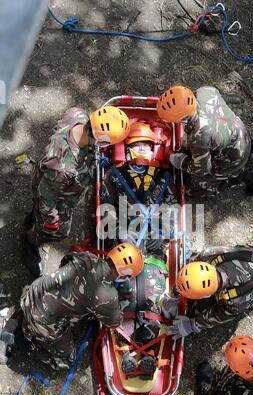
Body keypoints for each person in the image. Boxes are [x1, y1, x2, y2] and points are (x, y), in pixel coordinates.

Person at [22, 105, 130, 276]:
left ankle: (33, 218)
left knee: (38, 209)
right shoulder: (64, 167)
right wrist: (51, 219)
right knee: (57, 232)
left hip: (48, 178)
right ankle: (30, 242)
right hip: (57, 197)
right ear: (100, 140)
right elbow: (45, 196)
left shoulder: (77, 114)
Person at [19, 243, 144, 370]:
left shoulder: (88, 257)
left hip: (32, 293)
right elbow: (115, 322)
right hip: (40, 322)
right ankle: (29, 346)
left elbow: (65, 261)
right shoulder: (107, 296)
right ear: (124, 275)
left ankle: (27, 324)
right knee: (68, 361)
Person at [156, 85, 253, 198]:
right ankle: (251, 152)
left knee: (190, 189)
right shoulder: (205, 91)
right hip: (240, 136)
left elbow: (201, 170)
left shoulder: (199, 137)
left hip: (233, 159)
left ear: (183, 118)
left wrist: (180, 161)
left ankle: (240, 176)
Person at [162, 245, 253, 339]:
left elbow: (219, 315)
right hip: (251, 255)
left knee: (195, 311)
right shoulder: (209, 255)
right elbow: (189, 273)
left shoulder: (236, 301)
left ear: (207, 295)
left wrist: (193, 324)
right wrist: (173, 296)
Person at [100, 121, 178, 255]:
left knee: (154, 273)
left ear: (152, 150)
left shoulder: (163, 176)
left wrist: (163, 231)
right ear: (127, 149)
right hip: (124, 235)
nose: (142, 149)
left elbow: (172, 206)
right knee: (122, 269)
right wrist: (119, 230)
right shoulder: (113, 175)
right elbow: (106, 206)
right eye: (137, 145)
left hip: (155, 236)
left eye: (146, 145)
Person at [116, 253, 169, 379]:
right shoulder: (158, 258)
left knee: (124, 323)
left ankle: (126, 352)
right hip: (150, 316)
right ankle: (149, 353)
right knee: (151, 326)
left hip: (127, 312)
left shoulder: (128, 257)